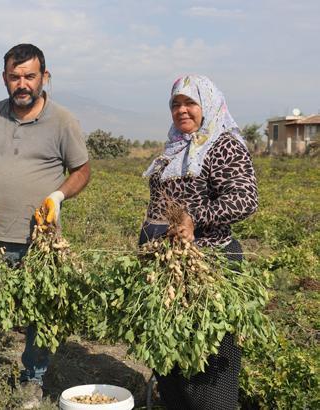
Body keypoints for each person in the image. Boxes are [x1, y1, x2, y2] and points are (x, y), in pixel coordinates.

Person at [0, 43, 91, 406]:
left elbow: (82, 171)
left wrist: (58, 197)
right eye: (14, 77)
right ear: (4, 78)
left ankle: (33, 380)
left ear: (44, 77)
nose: (22, 84)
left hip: (40, 241)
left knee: (39, 312)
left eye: (29, 76)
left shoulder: (63, 120)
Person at [139, 74, 259, 410]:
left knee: (211, 352)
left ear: (207, 105)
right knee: (172, 353)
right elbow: (160, 206)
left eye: (190, 103)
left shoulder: (223, 145)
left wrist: (196, 218)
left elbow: (245, 199)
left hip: (212, 265)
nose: (182, 110)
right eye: (175, 104)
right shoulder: (174, 147)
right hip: (171, 266)